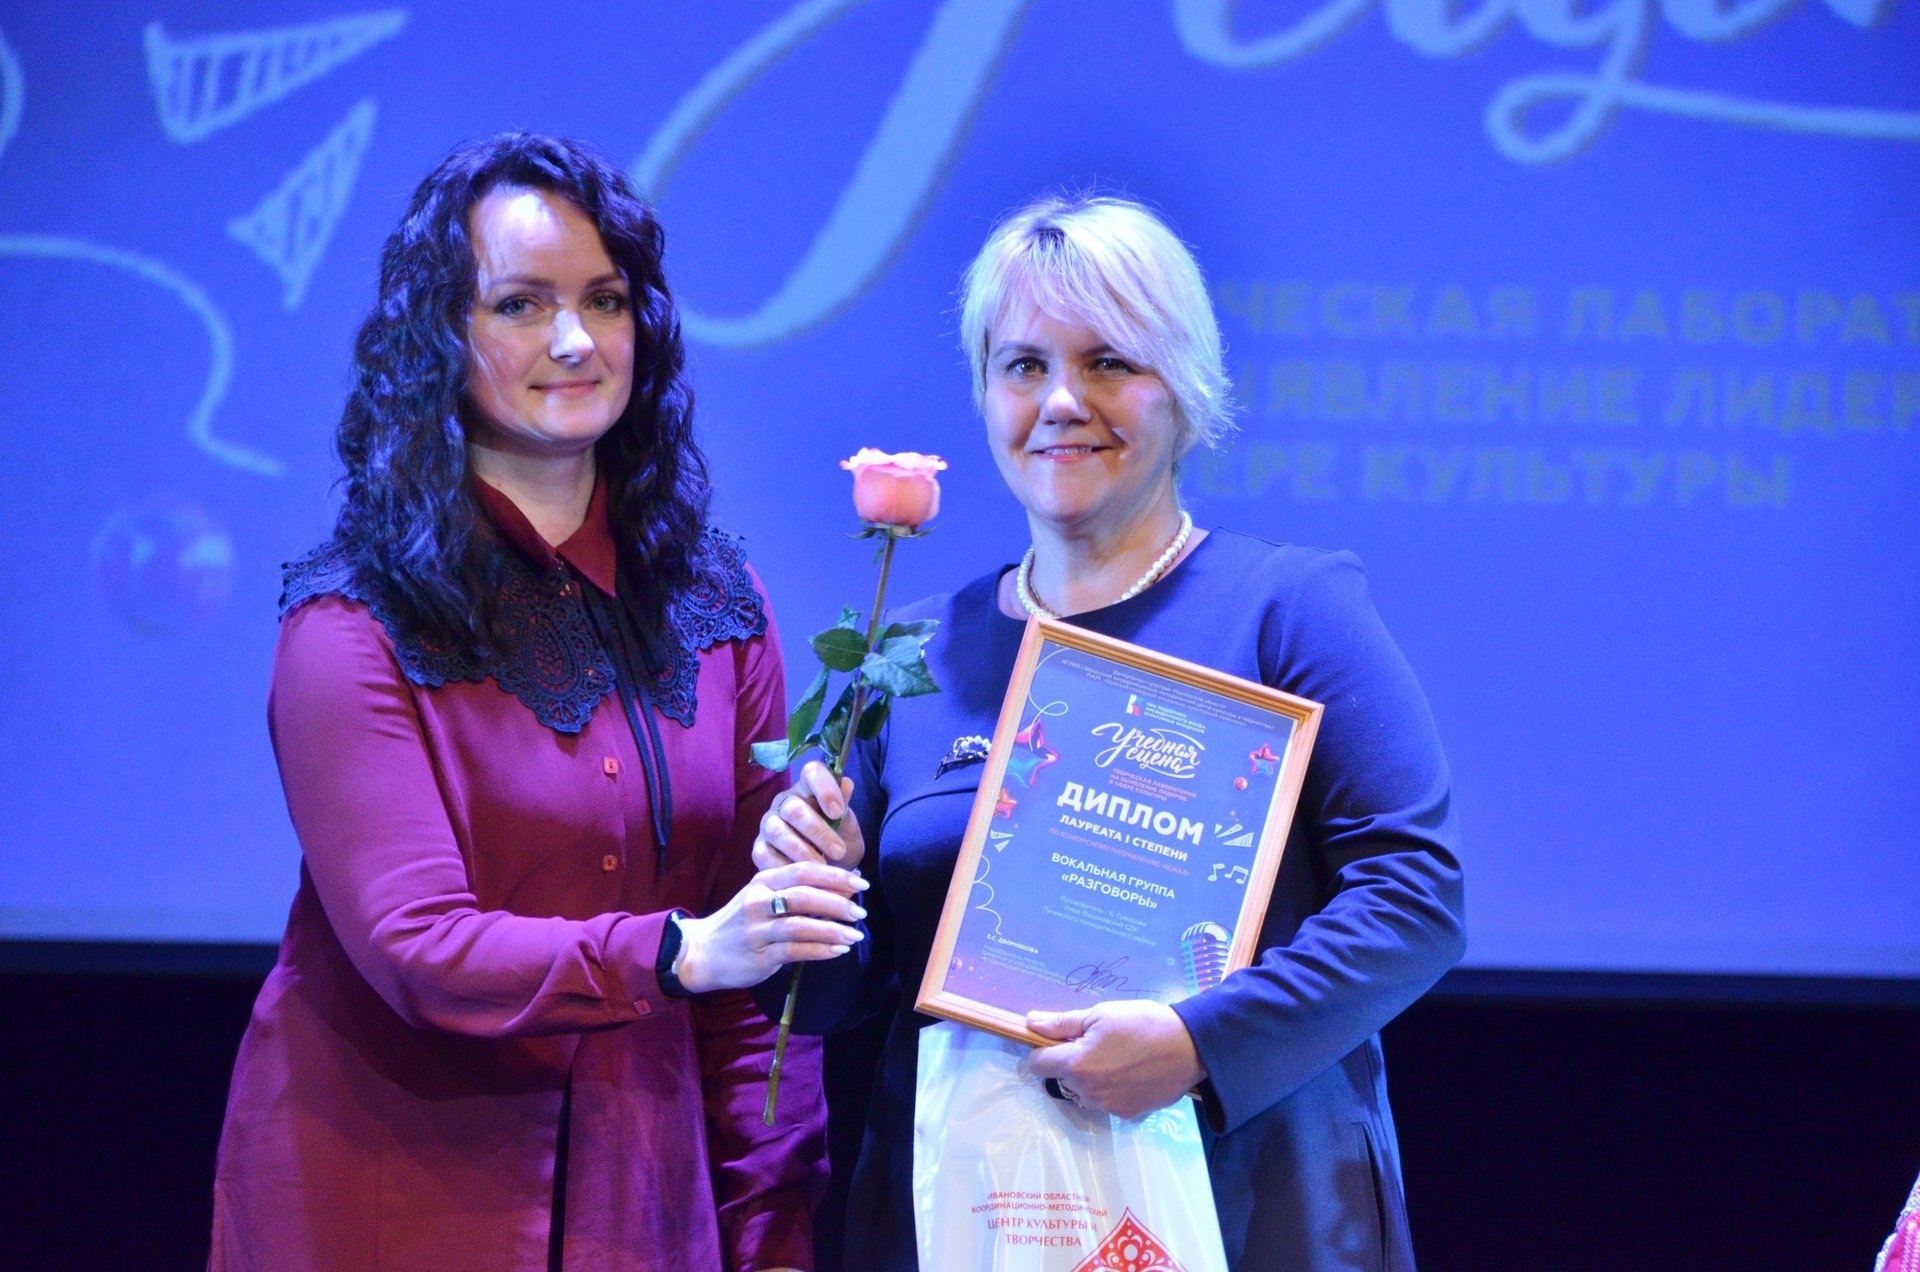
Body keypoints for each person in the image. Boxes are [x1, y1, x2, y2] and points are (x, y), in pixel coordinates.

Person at [754, 195, 1466, 1271]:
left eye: (1109, 362)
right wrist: (802, 899)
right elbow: (832, 998)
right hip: (969, 1219)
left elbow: (1416, 902)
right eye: (1023, 365)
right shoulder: (909, 657)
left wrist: (1197, 1044)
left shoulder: (1287, 610)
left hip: (1251, 1211)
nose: (1061, 401)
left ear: (1184, 386)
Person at [209, 133, 867, 1272]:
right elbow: (419, 948)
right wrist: (676, 951)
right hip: (395, 1204)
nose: (575, 341)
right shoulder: (351, 624)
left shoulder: (719, 604)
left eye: (604, 300)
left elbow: (762, 968)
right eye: (521, 304)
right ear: (439, 335)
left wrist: (771, 1224)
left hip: (644, 1201)